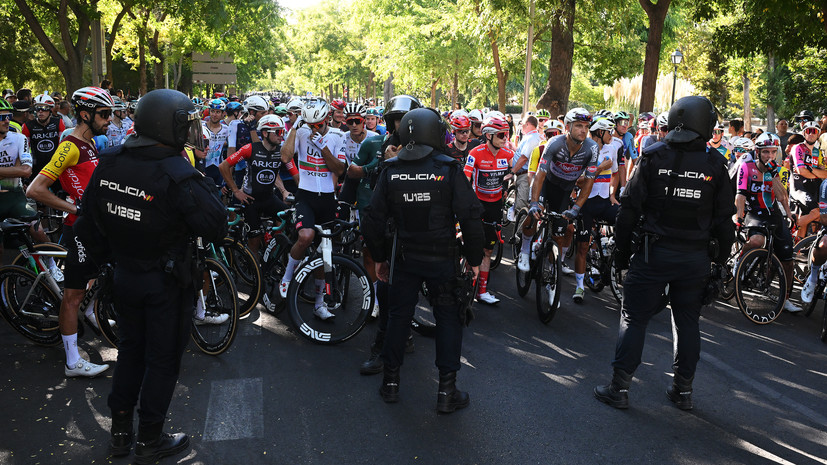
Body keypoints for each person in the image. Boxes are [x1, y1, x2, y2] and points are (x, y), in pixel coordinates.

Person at [78, 88, 227, 464]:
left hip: (124, 276)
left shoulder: (110, 161)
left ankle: (120, 435)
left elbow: (88, 223)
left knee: (130, 352)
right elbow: (215, 225)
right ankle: (149, 439)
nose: (189, 132)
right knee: (162, 360)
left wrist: (110, 262)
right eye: (185, 125)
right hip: (165, 284)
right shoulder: (177, 173)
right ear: (167, 126)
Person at [594, 96, 735, 411]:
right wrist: (719, 262)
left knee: (634, 317)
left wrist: (621, 254)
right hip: (695, 258)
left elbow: (629, 210)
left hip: (653, 253)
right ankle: (683, 391)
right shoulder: (715, 164)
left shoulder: (653, 156)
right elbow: (725, 223)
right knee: (687, 321)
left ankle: (619, 388)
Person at [362, 107, 484, 413]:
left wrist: (380, 258)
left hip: (404, 258)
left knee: (398, 317)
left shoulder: (390, 170)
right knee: (448, 319)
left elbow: (372, 219)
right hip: (442, 259)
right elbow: (470, 216)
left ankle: (390, 383)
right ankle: (446, 392)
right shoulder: (448, 168)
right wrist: (474, 258)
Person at [26, 87, 114, 380]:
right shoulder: (70, 146)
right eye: (104, 114)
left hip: (94, 227)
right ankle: (73, 361)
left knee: (97, 277)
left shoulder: (91, 143)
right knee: (73, 295)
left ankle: (91, 314)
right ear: (85, 114)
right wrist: (74, 207)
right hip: (78, 228)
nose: (109, 119)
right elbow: (35, 189)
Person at [349, 95, 421, 376]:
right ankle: (381, 347)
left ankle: (406, 334)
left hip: (416, 228)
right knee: (386, 283)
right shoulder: (378, 146)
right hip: (387, 225)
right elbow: (365, 181)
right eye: (398, 120)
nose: (403, 125)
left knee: (413, 286)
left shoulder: (426, 151)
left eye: (408, 120)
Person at [278, 99, 346, 319]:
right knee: (306, 236)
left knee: (322, 254)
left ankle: (319, 304)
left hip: (327, 198)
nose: (313, 128)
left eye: (317, 124)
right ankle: (287, 277)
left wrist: (323, 147)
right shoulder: (301, 132)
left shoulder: (338, 136)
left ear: (326, 119)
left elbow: (340, 169)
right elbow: (285, 157)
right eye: (310, 124)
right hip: (305, 195)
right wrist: (295, 128)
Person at [733, 133, 800, 313]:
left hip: (773, 214)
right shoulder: (746, 167)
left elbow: (782, 197)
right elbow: (740, 195)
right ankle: (740, 262)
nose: (770, 156)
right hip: (754, 212)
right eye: (765, 152)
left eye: (773, 152)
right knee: (757, 241)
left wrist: (773, 174)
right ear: (758, 152)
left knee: (788, 260)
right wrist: (739, 215)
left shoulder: (778, 170)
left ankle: (785, 299)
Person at [219, 115, 296, 259]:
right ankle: (255, 270)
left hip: (269, 198)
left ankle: (272, 249)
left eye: (282, 132)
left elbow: (296, 176)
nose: (281, 135)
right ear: (265, 133)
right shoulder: (250, 149)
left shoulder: (281, 153)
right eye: (278, 132)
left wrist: (285, 191)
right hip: (251, 201)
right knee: (254, 242)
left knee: (289, 218)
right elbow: (223, 166)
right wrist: (236, 191)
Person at [464, 116, 513, 304]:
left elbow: (518, 167)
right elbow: (466, 177)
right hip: (477, 205)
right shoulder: (475, 153)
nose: (505, 138)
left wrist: (510, 177)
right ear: (489, 136)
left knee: (487, 250)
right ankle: (465, 282)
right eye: (501, 135)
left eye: (506, 134)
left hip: (495, 206)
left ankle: (482, 291)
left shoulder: (507, 154)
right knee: (472, 246)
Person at [571, 116, 620, 303]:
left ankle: (613, 253)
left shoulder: (612, 148)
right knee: (583, 247)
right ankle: (579, 287)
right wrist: (599, 168)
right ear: (600, 132)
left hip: (605, 201)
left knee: (625, 220)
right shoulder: (584, 150)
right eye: (609, 131)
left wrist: (613, 194)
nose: (612, 135)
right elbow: (578, 181)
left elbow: (615, 174)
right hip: (587, 203)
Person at [789, 120, 825, 240]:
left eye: (814, 131)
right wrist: (817, 172)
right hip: (799, 187)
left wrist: (810, 170)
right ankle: (789, 227)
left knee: (814, 219)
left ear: (818, 134)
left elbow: (825, 174)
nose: (811, 133)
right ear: (804, 133)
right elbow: (801, 171)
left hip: (814, 188)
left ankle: (799, 244)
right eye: (808, 131)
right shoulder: (798, 148)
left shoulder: (818, 152)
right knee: (817, 212)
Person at [22, 93, 65, 180]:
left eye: (44, 108)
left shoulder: (59, 122)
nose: (40, 111)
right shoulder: (27, 126)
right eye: (38, 108)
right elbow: (26, 149)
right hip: (36, 167)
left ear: (50, 110)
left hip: (55, 166)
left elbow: (62, 145)